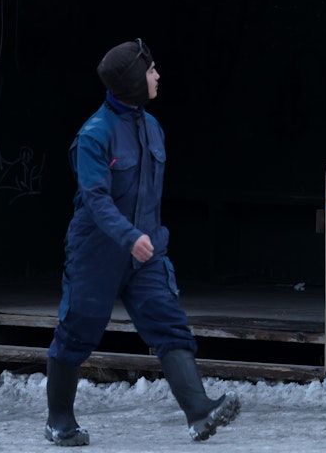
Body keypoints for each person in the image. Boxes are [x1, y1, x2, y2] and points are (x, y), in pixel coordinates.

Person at [45, 39, 240, 447]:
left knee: (168, 324)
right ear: (134, 81)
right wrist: (129, 236)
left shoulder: (152, 127)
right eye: (150, 70)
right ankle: (59, 420)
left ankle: (199, 412)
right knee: (77, 331)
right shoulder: (94, 135)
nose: (157, 76)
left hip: (146, 251)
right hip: (97, 252)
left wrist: (146, 240)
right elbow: (95, 200)